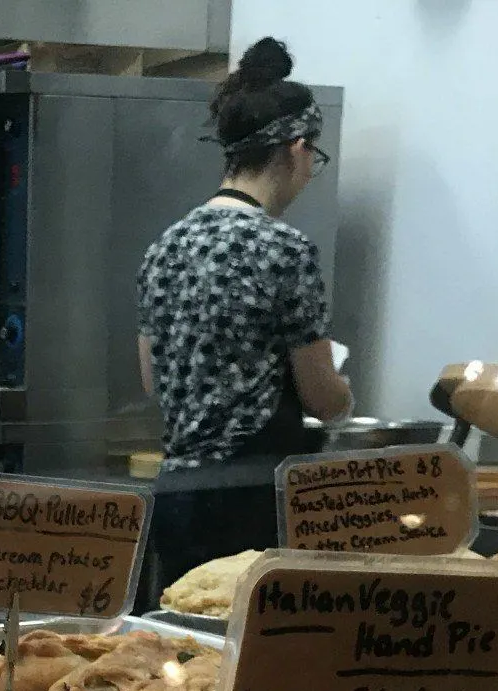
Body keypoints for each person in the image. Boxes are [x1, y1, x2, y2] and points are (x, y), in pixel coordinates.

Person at [135, 37, 352, 604]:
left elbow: (153, 380)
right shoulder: (283, 249)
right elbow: (321, 397)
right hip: (252, 499)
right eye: (314, 160)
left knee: (186, 651)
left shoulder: (165, 246)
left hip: (176, 494)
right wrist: (342, 394)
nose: (311, 173)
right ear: (298, 148)